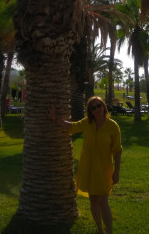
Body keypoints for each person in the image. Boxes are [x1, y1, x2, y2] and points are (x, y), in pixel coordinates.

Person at [48, 96, 122, 234]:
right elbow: (72, 127)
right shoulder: (87, 123)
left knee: (103, 201)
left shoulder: (112, 126)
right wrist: (55, 118)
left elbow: (117, 151)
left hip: (103, 169)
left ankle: (110, 232)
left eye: (99, 105)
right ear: (90, 111)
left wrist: (116, 171)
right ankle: (100, 230)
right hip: (88, 168)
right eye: (93, 107)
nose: (97, 109)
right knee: (93, 201)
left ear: (104, 106)